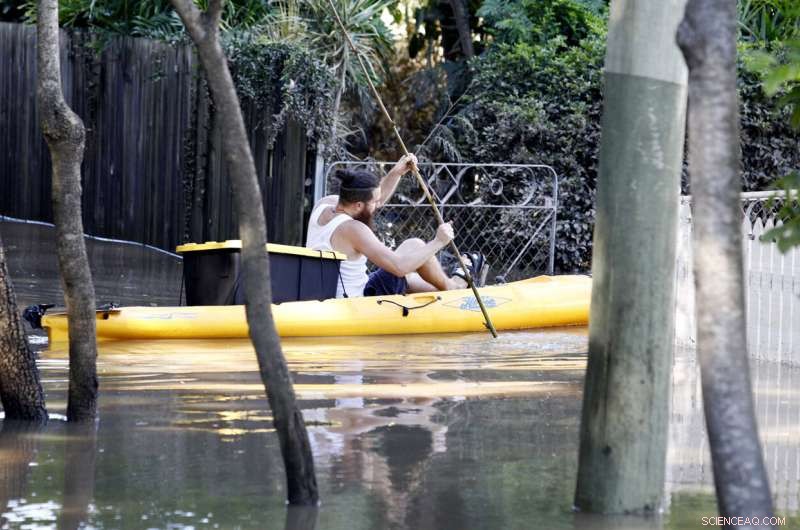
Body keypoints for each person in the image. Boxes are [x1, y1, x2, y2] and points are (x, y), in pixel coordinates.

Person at [306, 154, 484, 298]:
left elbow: (378, 196)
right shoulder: (352, 229)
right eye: (374, 202)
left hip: (343, 289)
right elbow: (399, 267)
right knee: (415, 247)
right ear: (358, 205)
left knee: (411, 276)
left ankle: (451, 291)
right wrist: (439, 241)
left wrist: (397, 172)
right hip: (359, 299)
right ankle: (454, 290)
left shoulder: (324, 205)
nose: (378, 205)